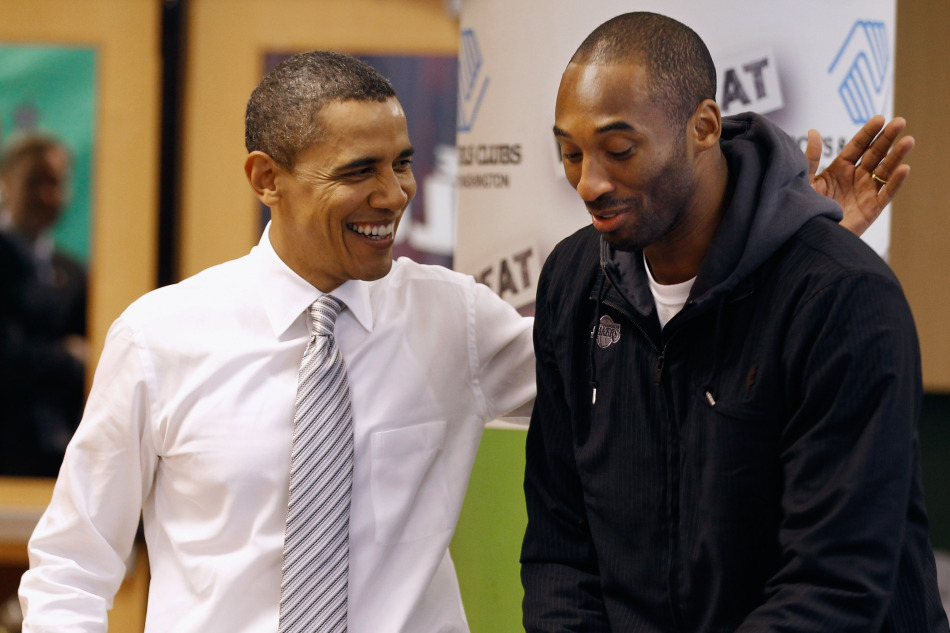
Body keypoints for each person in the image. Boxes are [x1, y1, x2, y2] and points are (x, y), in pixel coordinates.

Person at [17, 49, 916, 633]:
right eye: (358, 171)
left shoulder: (455, 317)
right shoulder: (160, 336)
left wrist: (783, 234)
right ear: (267, 179)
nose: (395, 194)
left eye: (404, 162)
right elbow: (72, 565)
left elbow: (663, 361)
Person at [521, 12, 947, 633]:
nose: (589, 182)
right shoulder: (573, 280)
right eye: (569, 153)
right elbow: (561, 546)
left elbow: (835, 584)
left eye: (619, 150)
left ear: (704, 127)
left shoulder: (843, 297)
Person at [0, 133, 87, 477]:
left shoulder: (73, 273)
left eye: (54, 183)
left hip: (59, 456)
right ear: (7, 182)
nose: (45, 195)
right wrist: (67, 356)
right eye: (33, 182)